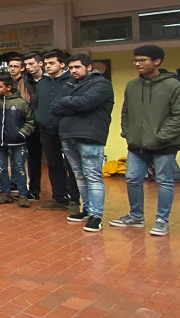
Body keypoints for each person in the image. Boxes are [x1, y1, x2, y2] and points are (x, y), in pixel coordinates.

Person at [110, 45, 180, 236]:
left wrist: (160, 138)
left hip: (164, 145)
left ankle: (162, 220)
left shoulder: (173, 85)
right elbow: (125, 112)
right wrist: (128, 133)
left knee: (165, 181)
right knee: (132, 178)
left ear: (157, 61)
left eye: (142, 60)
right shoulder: (132, 86)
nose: (137, 64)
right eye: (135, 60)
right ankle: (136, 216)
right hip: (136, 144)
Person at [53, 53, 115, 233]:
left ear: (88, 67)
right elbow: (55, 107)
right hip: (68, 135)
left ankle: (96, 216)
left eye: (77, 67)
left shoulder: (101, 84)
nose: (73, 71)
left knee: (93, 176)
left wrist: (67, 102)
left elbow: (86, 103)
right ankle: (87, 209)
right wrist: (74, 104)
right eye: (71, 68)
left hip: (90, 136)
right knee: (79, 175)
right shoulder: (68, 84)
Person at [34, 50, 80, 216]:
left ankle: (74, 200)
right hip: (46, 129)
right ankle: (58, 198)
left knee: (71, 164)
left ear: (62, 64)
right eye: (46, 64)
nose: (48, 66)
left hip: (66, 129)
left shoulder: (71, 82)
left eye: (52, 63)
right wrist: (39, 117)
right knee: (53, 163)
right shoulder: (42, 83)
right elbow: (37, 104)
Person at [0, 74, 35, 207]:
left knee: (19, 167)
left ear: (8, 87)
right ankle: (5, 193)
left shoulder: (21, 103)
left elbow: (30, 121)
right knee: (2, 167)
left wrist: (22, 133)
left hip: (18, 142)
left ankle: (23, 194)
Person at [22, 53, 45, 200]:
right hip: (32, 123)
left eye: (31, 64)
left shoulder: (49, 80)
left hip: (49, 124)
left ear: (40, 63)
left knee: (57, 161)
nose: (28, 67)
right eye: (26, 65)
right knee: (33, 159)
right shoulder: (25, 81)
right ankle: (34, 190)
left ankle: (63, 193)